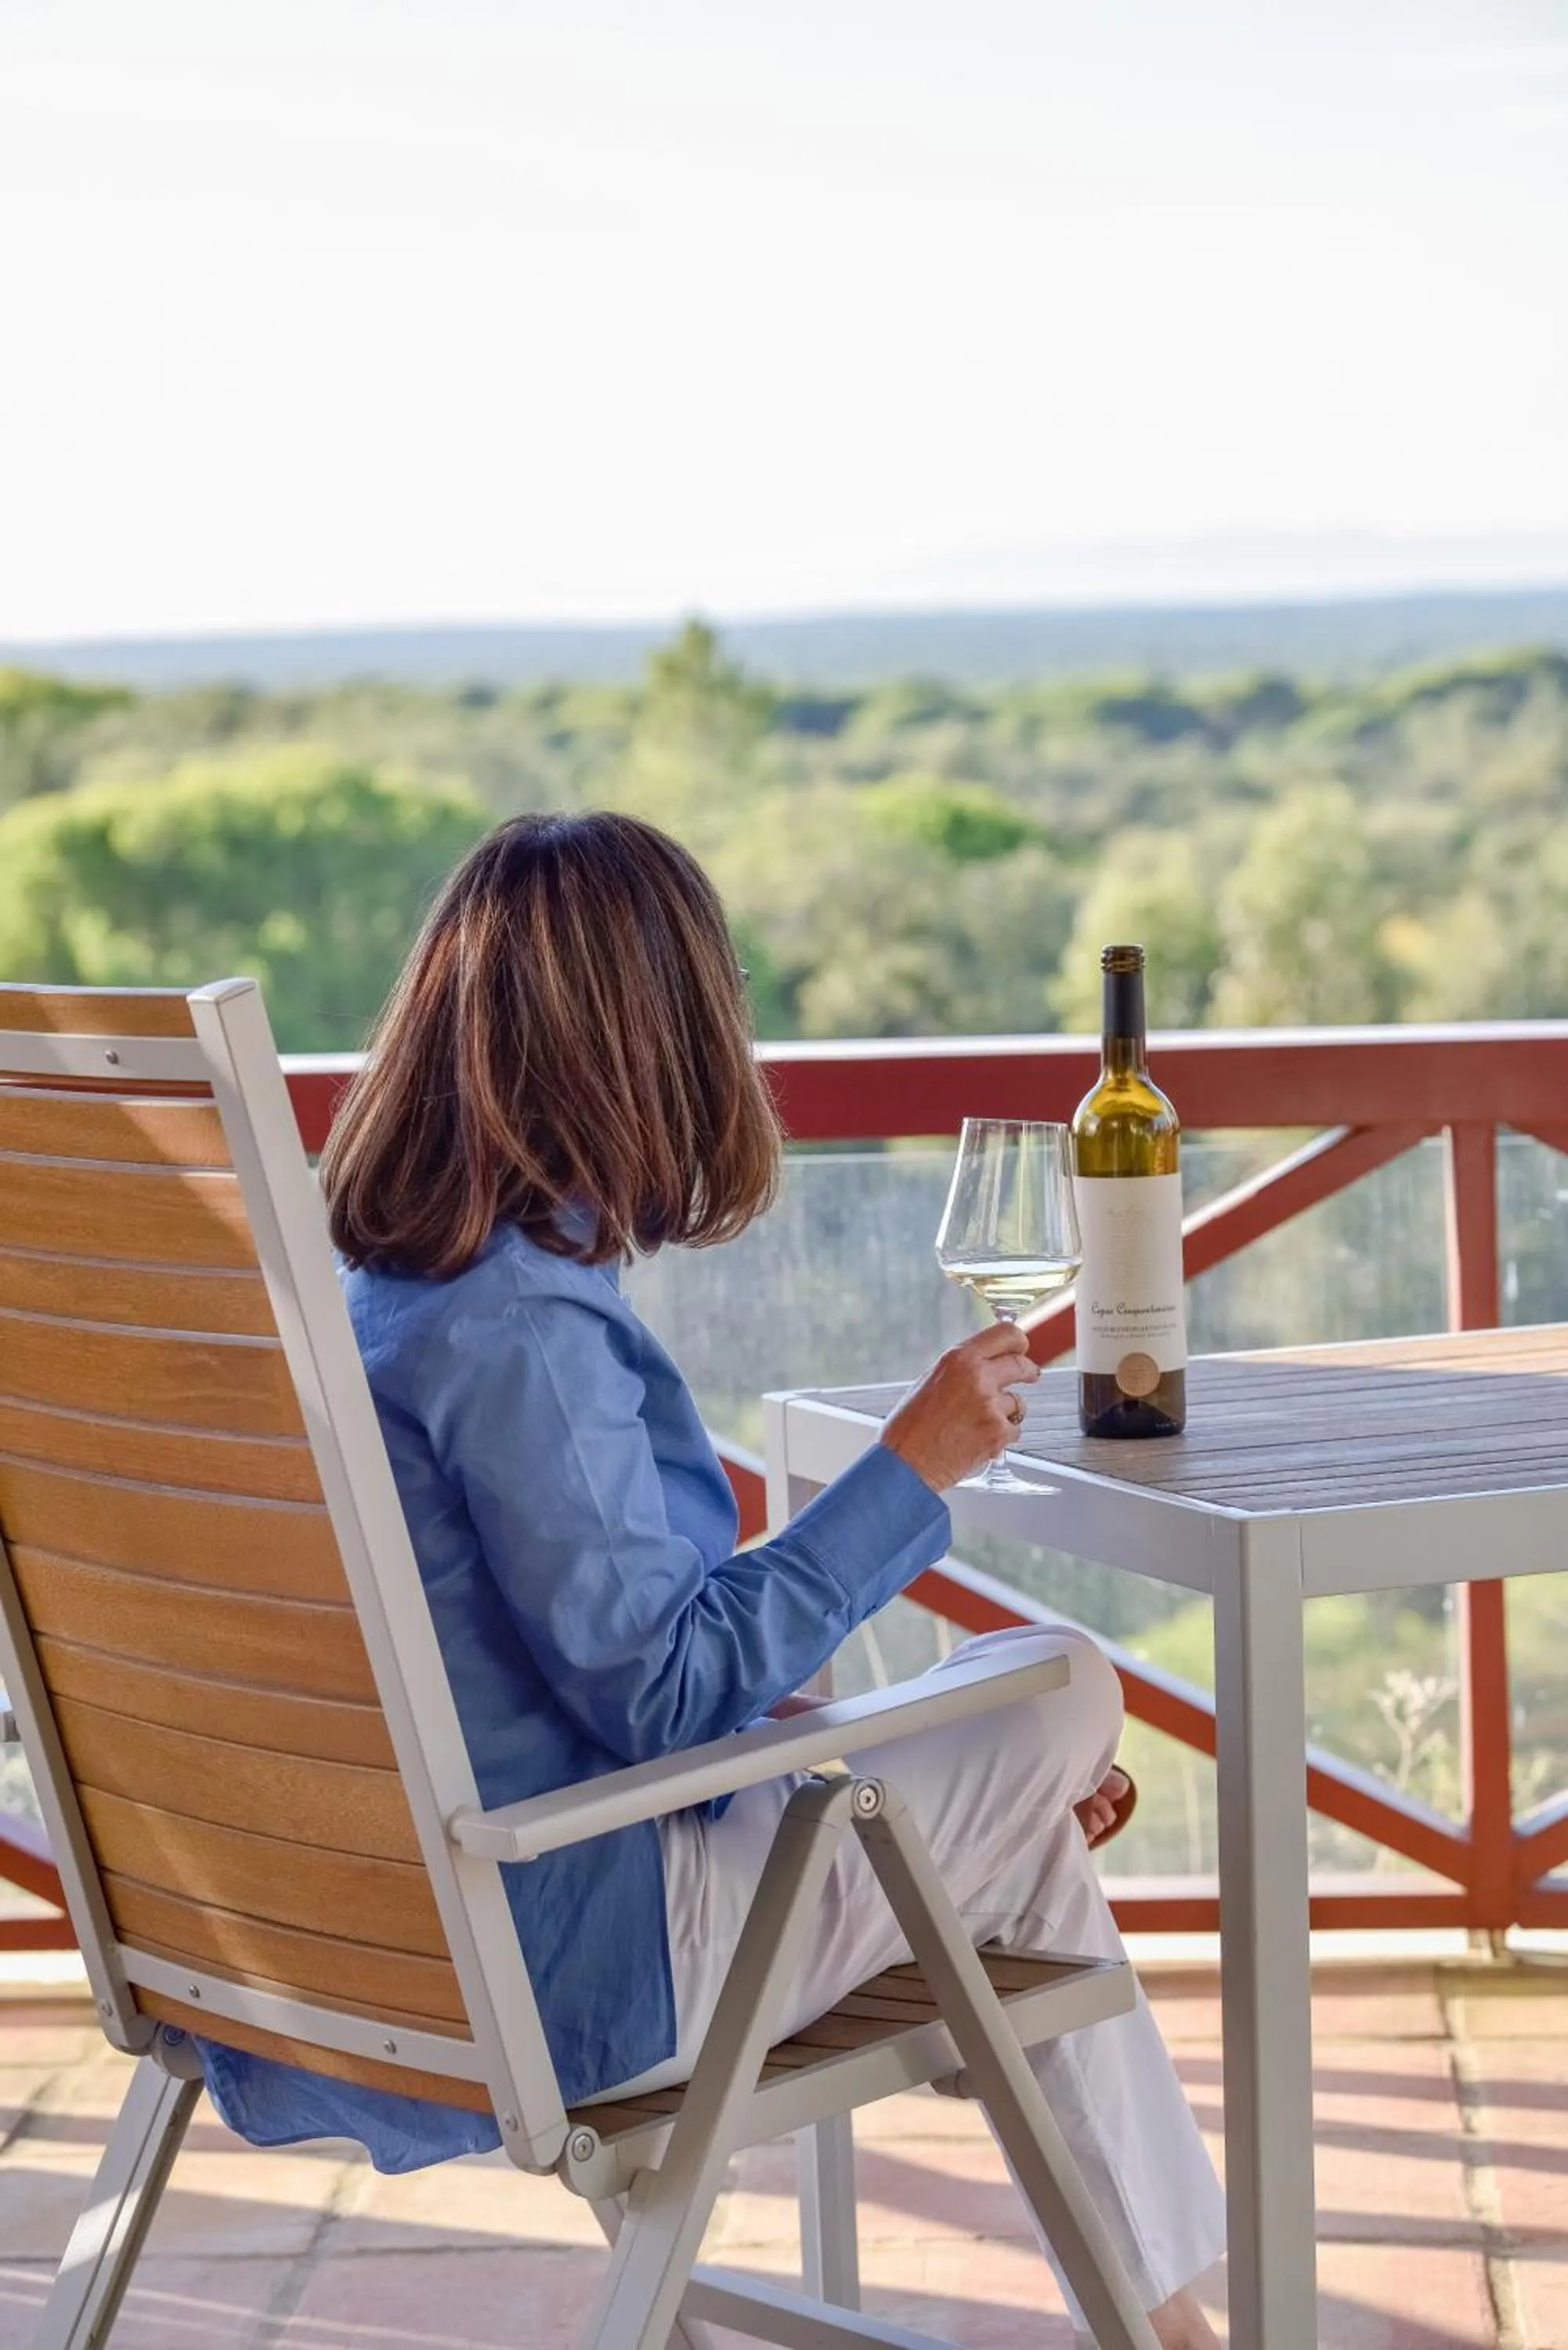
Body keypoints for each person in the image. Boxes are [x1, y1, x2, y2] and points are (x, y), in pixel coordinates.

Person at [197, 812, 1225, 2348]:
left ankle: (1176, 2330)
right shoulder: (516, 1328)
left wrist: (886, 1759)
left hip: (377, 1935)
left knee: (1007, 1831)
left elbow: (558, 1667)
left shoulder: (378, 1294)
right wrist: (911, 1466)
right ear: (647, 1036)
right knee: (1060, 1682)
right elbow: (663, 1695)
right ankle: (1176, 2316)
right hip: (579, 1968)